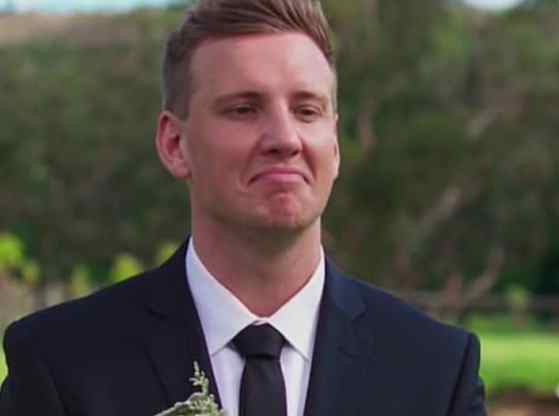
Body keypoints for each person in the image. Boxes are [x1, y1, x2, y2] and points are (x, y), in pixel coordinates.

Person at [0, 0, 487, 415]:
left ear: (334, 145)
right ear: (174, 143)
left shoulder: (436, 372)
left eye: (306, 110)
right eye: (244, 109)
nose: (284, 139)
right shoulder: (60, 366)